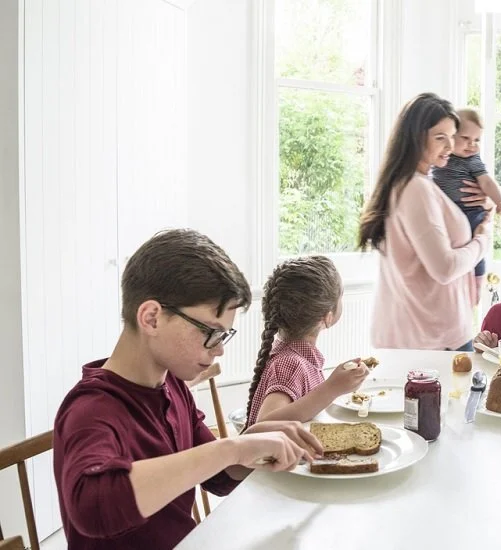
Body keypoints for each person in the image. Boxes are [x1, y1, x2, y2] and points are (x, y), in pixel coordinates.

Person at [53, 229, 323, 550]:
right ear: (152, 317)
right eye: (211, 332)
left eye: (224, 335)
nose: (219, 349)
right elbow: (93, 507)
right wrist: (232, 449)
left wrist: (252, 443)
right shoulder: (91, 409)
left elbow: (218, 477)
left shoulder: (172, 387)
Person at [358, 92, 492, 351]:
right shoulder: (416, 188)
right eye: (440, 138)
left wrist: (482, 202)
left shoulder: (411, 184)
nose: (450, 147)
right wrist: (483, 239)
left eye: (452, 137)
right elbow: (444, 267)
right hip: (430, 338)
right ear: (416, 138)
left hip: (425, 333)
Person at [244, 255, 369, 428]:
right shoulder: (290, 364)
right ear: (327, 317)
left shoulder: (297, 359)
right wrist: (331, 388)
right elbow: (265, 425)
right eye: (341, 296)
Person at [432, 107, 501, 303]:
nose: (472, 145)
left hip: (470, 211)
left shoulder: (473, 161)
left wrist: (499, 202)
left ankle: (476, 287)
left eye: (476, 140)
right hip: (449, 213)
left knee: (475, 251)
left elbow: (486, 182)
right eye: (466, 138)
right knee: (453, 250)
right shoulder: (441, 157)